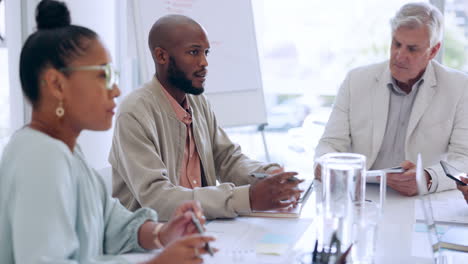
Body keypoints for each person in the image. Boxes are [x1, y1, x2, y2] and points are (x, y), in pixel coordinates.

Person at [0, 1, 215, 263]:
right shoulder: (40, 157)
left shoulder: (66, 152)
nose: (116, 90)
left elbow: (114, 226)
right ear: (56, 84)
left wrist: (164, 233)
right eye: (104, 76)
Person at [109, 14, 303, 220]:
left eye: (206, 53)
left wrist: (267, 175)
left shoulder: (198, 102)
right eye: (194, 52)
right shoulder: (135, 112)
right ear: (161, 56)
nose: (204, 62)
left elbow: (227, 159)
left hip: (202, 227)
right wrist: (246, 198)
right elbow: (157, 198)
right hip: (150, 238)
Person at [314, 2, 468, 196]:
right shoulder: (356, 80)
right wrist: (324, 163)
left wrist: (428, 178)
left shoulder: (459, 87)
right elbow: (330, 144)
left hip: (422, 200)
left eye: (412, 49)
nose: (400, 56)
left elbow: (464, 158)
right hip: (360, 193)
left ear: (434, 51)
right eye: (397, 44)